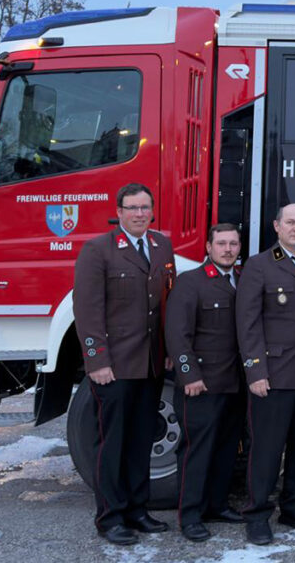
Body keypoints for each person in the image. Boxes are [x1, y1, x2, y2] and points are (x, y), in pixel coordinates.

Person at [73, 182, 176, 545]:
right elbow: (87, 310)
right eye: (132, 208)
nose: (139, 214)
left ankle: (137, 510)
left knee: (140, 442)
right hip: (114, 367)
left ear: (152, 211)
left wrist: (169, 349)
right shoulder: (98, 250)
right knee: (112, 443)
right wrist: (96, 360)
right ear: (119, 213)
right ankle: (110, 517)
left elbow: (167, 302)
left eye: (145, 207)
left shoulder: (161, 245)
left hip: (151, 365)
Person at [236, 203, 295, 545]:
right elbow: (248, 323)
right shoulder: (259, 265)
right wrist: (255, 371)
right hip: (273, 374)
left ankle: (294, 507)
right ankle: (257, 514)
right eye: (290, 222)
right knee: (266, 449)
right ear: (277, 226)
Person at [164, 224, 246, 542]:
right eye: (221, 243)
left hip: (234, 384)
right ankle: (190, 515)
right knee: (196, 452)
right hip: (202, 385)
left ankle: (217, 505)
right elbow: (177, 334)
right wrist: (189, 375)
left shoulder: (242, 280)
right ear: (209, 248)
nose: (228, 249)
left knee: (226, 449)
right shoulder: (191, 282)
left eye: (233, 244)